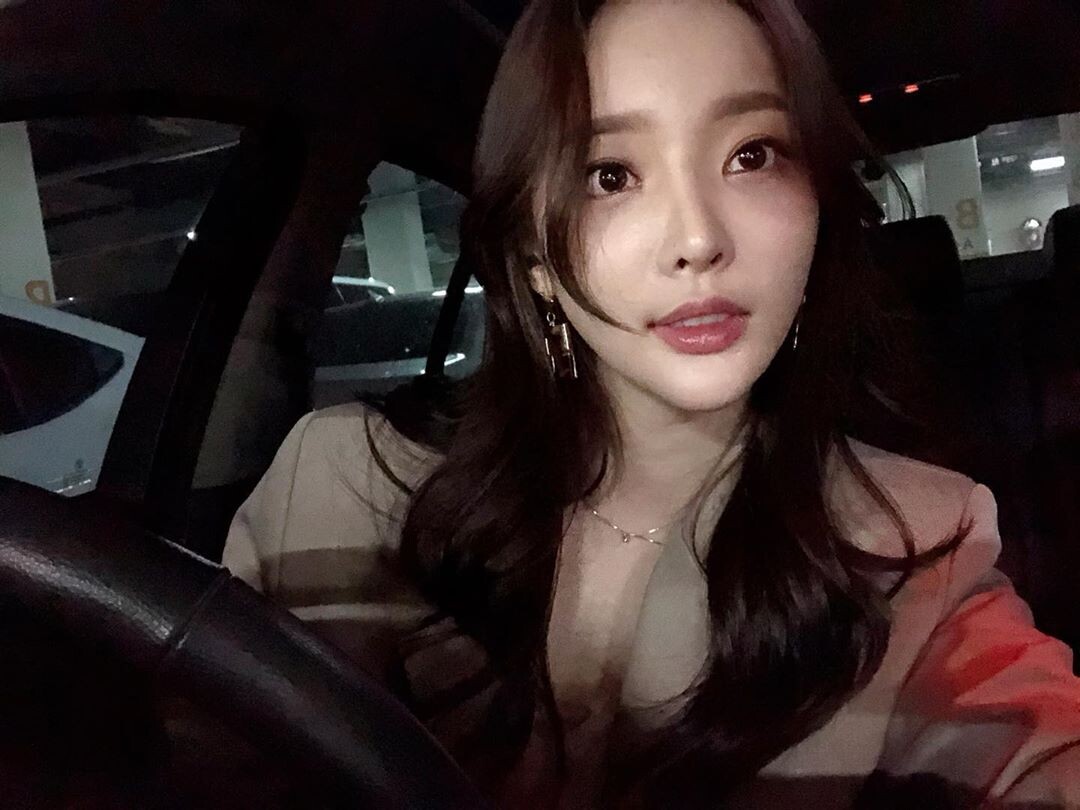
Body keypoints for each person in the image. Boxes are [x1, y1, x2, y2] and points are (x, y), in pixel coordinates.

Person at [223, 0, 1080, 807]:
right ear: (535, 265)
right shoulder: (336, 488)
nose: (698, 238)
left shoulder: (917, 545)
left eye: (752, 155)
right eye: (610, 175)